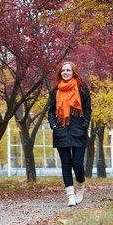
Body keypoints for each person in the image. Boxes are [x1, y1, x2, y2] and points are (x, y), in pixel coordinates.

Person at [48, 61, 92, 206]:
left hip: (78, 132)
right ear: (60, 73)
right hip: (61, 131)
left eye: (68, 70)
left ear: (74, 72)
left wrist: (84, 125)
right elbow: (51, 111)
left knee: (78, 164)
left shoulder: (82, 89)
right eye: (63, 71)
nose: (65, 73)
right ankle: (70, 196)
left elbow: (87, 109)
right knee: (66, 165)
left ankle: (80, 186)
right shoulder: (56, 91)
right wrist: (54, 125)